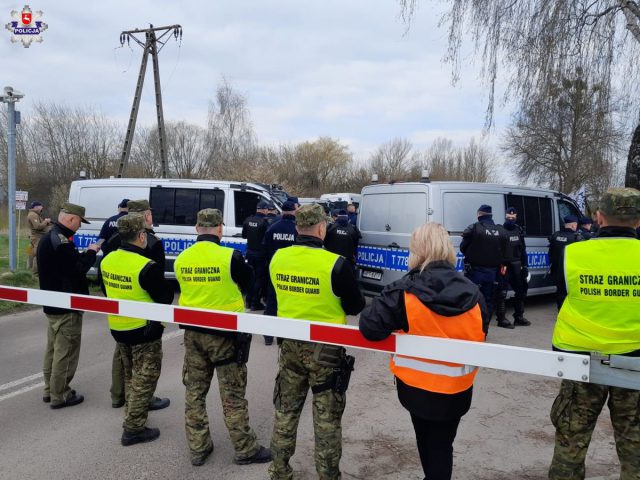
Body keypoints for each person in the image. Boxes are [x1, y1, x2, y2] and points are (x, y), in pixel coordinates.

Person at [359, 222, 486, 480]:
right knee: (442, 445)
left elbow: (369, 327)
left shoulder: (403, 291)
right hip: (457, 391)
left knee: (427, 442)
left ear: (416, 250)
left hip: (416, 390)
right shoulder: (475, 294)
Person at [267, 204, 365, 480]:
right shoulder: (336, 264)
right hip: (327, 351)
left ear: (298, 228)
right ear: (322, 228)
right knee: (326, 421)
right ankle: (328, 475)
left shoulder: (278, 258)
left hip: (289, 346)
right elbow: (355, 306)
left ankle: (279, 470)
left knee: (285, 411)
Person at [548, 188, 640, 480]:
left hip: (580, 359)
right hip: (634, 363)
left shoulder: (573, 253)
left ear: (598, 217)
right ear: (638, 221)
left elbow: (562, 296)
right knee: (635, 444)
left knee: (570, 441)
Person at [174, 208, 272, 467]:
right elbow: (251, 285)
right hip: (225, 335)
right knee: (232, 395)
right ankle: (245, 449)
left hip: (193, 334)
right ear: (219, 228)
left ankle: (198, 447)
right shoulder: (230, 257)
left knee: (194, 392)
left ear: (197, 228)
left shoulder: (181, 258)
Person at [100, 213, 173, 446]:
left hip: (118, 327)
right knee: (146, 379)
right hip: (144, 331)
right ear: (141, 236)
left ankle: (134, 412)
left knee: (132, 375)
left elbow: (105, 292)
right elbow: (164, 297)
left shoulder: (107, 260)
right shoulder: (145, 266)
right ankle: (133, 428)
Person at [37, 202, 99, 408]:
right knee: (66, 351)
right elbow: (77, 269)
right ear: (71, 219)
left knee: (53, 349)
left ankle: (49, 389)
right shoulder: (63, 242)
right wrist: (91, 253)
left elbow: (66, 266)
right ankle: (61, 393)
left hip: (52, 302)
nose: (80, 226)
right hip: (66, 305)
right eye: (80, 222)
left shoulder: (50, 237)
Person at [459, 204, 503, 329]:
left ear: (479, 214)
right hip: (492, 273)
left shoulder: (474, 228)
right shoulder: (500, 230)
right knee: (488, 301)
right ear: (491, 215)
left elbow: (463, 247)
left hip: (475, 272)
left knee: (472, 299)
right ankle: (484, 328)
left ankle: (472, 328)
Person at [262, 200, 298, 345]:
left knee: (272, 302)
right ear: (294, 212)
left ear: (282, 211)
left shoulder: (272, 228)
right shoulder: (297, 229)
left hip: (274, 270)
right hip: (292, 272)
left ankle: (268, 336)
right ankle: (286, 336)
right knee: (290, 304)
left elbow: (264, 249)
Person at [495, 207, 530, 328]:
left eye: (513, 217)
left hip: (517, 265)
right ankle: (501, 319)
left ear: (516, 217)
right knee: (502, 292)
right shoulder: (499, 230)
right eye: (509, 217)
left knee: (521, 290)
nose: (511, 219)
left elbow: (523, 250)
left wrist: (525, 266)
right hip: (504, 266)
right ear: (505, 217)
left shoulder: (519, 230)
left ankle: (518, 317)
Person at [548, 215, 583, 309]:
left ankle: (561, 312)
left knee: (560, 292)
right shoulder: (576, 238)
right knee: (571, 293)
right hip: (570, 270)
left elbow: (550, 253)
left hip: (557, 269)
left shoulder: (555, 235)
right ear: (573, 226)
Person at [242, 201, 270, 311]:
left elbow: (244, 236)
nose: (267, 211)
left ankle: (248, 301)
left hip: (249, 253)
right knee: (259, 278)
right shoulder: (265, 222)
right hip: (260, 255)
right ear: (263, 209)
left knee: (250, 277)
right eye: (267, 209)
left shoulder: (248, 220)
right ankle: (255, 303)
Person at [26, 201, 52, 273]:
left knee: (30, 252)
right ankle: (35, 274)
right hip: (37, 237)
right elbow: (38, 227)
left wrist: (47, 223)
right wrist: (46, 221)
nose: (42, 207)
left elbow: (40, 225)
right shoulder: (33, 215)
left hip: (35, 237)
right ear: (36, 207)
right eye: (41, 206)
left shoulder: (35, 214)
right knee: (38, 254)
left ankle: (28, 269)